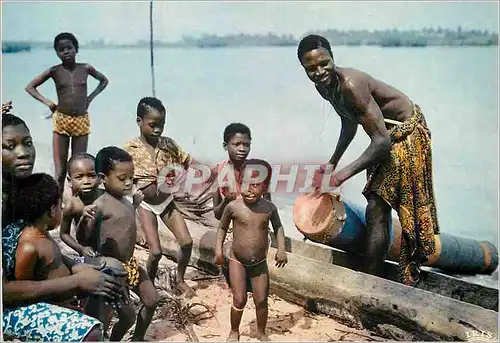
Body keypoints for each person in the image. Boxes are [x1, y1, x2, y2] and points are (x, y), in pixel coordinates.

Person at [297, 34, 439, 286]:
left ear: (333, 58)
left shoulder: (351, 84)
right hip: (385, 136)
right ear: (304, 68)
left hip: (406, 132)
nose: (319, 72)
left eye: (324, 63)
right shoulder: (324, 87)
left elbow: (381, 143)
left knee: (377, 206)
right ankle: (373, 277)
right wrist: (332, 163)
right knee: (377, 206)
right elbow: (349, 121)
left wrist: (340, 176)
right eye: (311, 69)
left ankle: (373, 280)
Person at [2, 102, 123, 341]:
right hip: (6, 303)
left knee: (112, 270)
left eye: (27, 143)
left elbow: (41, 237)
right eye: (9, 146)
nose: (23, 152)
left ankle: (86, 323)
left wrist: (75, 265)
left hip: (31, 277)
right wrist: (75, 279)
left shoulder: (23, 190)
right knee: (90, 334)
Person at [80, 146, 158, 341]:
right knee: (125, 317)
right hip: (112, 270)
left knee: (151, 300)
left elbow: (125, 221)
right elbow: (84, 239)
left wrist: (135, 204)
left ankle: (137, 338)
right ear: (103, 178)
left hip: (130, 265)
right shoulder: (100, 205)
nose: (128, 183)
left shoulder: (125, 200)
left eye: (132, 178)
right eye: (122, 179)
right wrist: (85, 219)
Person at [123, 97, 196, 297]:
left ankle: (180, 279)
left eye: (161, 125)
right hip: (145, 204)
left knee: (187, 242)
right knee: (155, 252)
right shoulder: (129, 149)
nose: (157, 130)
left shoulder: (168, 145)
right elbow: (120, 176)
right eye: (152, 125)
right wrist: (131, 194)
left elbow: (188, 161)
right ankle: (150, 287)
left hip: (166, 201)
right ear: (139, 121)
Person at [25, 32, 108, 194]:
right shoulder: (54, 71)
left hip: (81, 119)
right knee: (60, 170)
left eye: (69, 48)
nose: (66, 52)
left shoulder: (85, 68)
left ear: (76, 49)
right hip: (61, 119)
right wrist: (48, 102)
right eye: (61, 49)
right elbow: (30, 87)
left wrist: (90, 98)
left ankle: (77, 205)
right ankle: (57, 204)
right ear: (57, 52)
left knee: (78, 167)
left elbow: (104, 81)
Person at [215, 159, 288, 342]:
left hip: (259, 263)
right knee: (239, 299)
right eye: (246, 184)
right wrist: (218, 250)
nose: (249, 189)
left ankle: (261, 332)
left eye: (256, 185)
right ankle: (234, 331)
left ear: (265, 187)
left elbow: (278, 227)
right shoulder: (234, 207)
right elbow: (222, 228)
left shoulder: (269, 208)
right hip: (237, 260)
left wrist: (282, 249)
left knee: (261, 299)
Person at [60, 152, 104, 258]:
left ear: (100, 177)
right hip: (87, 251)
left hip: (108, 248)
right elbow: (64, 234)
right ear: (70, 181)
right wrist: (80, 248)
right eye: (79, 177)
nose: (86, 181)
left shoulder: (106, 196)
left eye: (92, 176)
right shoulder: (72, 205)